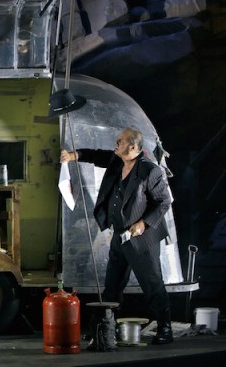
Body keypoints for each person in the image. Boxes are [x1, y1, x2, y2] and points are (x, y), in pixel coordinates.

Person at [60, 127, 174, 345]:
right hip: (119, 238)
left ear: (133, 147)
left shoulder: (150, 171)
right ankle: (105, 330)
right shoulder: (117, 161)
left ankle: (165, 329)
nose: (116, 143)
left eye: (120, 141)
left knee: (152, 285)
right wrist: (73, 156)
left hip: (142, 241)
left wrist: (143, 223)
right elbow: (96, 155)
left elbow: (163, 202)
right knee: (112, 286)